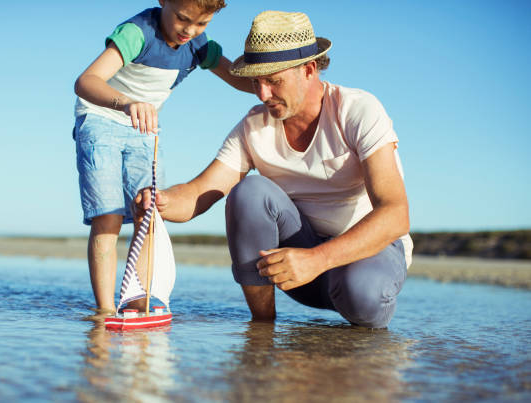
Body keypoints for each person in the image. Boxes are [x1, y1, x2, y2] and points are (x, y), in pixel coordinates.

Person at [136, 10, 413, 328]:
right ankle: (262, 330)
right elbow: (200, 191)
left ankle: (362, 346)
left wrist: (318, 259)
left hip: (366, 261)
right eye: (256, 82)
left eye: (273, 80)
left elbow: (396, 213)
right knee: (250, 192)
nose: (262, 94)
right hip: (298, 267)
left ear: (309, 69)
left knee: (359, 290)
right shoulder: (254, 126)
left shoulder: (358, 110)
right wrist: (163, 200)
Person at [73, 0, 253, 313]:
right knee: (109, 216)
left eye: (201, 24)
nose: (189, 30)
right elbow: (85, 81)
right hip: (101, 118)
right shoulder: (137, 32)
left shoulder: (198, 46)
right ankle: (104, 312)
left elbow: (238, 80)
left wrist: (277, 82)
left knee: (149, 212)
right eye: (183, 18)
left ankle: (136, 306)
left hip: (144, 129)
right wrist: (127, 103)